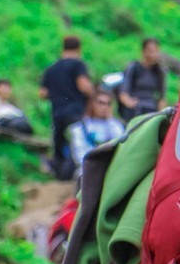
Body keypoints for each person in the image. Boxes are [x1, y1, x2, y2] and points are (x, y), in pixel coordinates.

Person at [40, 36, 94, 181]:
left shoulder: (51, 68)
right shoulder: (78, 65)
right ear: (78, 49)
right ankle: (83, 174)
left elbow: (43, 93)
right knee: (78, 142)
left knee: (59, 143)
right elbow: (83, 85)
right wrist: (91, 91)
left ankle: (59, 175)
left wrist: (57, 93)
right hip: (74, 111)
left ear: (63, 48)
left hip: (57, 112)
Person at [67, 85, 125, 170]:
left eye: (108, 104)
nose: (104, 107)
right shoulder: (80, 127)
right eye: (101, 103)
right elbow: (79, 155)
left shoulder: (114, 124)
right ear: (92, 104)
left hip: (112, 168)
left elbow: (121, 143)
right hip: (88, 168)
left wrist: (110, 120)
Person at [117, 38, 173, 124]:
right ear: (143, 51)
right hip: (136, 108)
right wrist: (131, 104)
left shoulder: (159, 71)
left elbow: (162, 96)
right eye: (151, 51)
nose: (154, 54)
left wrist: (161, 114)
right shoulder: (134, 68)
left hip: (151, 108)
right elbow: (124, 93)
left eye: (156, 51)